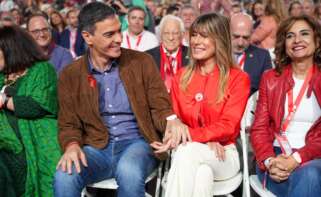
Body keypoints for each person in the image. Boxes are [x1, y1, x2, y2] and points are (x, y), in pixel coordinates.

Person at [53, 2, 189, 197]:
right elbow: (68, 123)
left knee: (129, 170)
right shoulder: (71, 74)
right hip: (95, 148)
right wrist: (72, 145)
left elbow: (160, 106)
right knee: (64, 176)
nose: (119, 39)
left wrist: (171, 121)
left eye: (119, 31)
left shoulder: (141, 62)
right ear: (87, 37)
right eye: (109, 34)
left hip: (137, 144)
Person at [152, 13, 250, 197]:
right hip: (190, 153)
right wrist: (176, 129)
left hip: (223, 154)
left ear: (219, 39)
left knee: (188, 152)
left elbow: (228, 126)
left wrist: (194, 137)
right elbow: (173, 117)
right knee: (202, 174)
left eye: (204, 35)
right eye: (194, 35)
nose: (196, 41)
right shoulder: (181, 76)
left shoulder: (238, 78)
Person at [250, 15, 321, 197]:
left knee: (309, 176)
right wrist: (269, 161)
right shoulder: (270, 78)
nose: (297, 40)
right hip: (275, 156)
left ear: (317, 41)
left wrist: (297, 159)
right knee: (306, 182)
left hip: (314, 157)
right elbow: (259, 128)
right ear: (284, 43)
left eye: (304, 34)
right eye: (290, 36)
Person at [0, 26, 61, 197]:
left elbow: (39, 105)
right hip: (6, 142)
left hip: (29, 142)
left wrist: (5, 101)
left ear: (10, 49)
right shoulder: (3, 74)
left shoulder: (41, 70)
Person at [231, 13, 272, 95]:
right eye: (236, 36)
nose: (240, 43)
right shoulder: (216, 53)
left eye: (245, 38)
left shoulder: (262, 57)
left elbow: (267, 90)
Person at [147, 15, 189, 92]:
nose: (171, 38)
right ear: (160, 35)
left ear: (182, 35)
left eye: (175, 33)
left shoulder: (192, 56)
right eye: (166, 33)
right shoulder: (148, 57)